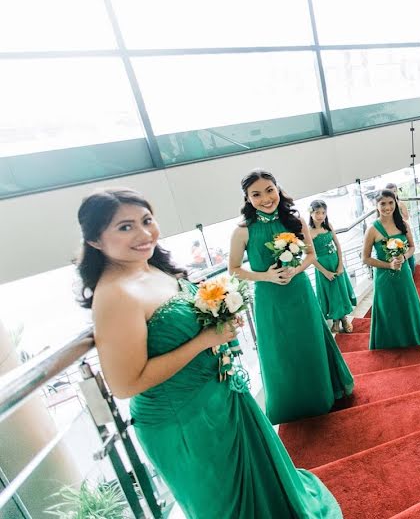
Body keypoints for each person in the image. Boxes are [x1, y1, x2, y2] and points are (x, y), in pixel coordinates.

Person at [77, 188, 342, 518]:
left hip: (220, 395)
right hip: (183, 419)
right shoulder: (114, 296)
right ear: (95, 241)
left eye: (146, 220)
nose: (144, 234)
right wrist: (203, 341)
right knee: (224, 503)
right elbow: (126, 384)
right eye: (125, 227)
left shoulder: (151, 268)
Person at [229, 170, 353, 423]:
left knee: (309, 342)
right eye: (256, 194)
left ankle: (319, 395)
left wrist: (295, 270)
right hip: (269, 298)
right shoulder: (242, 231)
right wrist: (267, 276)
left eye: (269, 190)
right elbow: (234, 270)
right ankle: (289, 404)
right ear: (247, 198)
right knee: (279, 350)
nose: (265, 198)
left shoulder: (295, 221)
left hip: (299, 292)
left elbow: (310, 255)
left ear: (277, 189)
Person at [362, 189, 420, 349]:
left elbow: (412, 247)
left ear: (396, 203)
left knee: (406, 303)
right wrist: (389, 265)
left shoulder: (403, 224)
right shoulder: (372, 229)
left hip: (404, 272)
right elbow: (365, 258)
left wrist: (404, 257)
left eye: (390, 203)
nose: (387, 207)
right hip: (384, 276)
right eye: (383, 204)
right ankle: (389, 341)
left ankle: (411, 336)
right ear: (376, 205)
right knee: (387, 307)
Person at [309, 199, 356, 335]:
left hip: (335, 261)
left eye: (323, 212)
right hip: (322, 266)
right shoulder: (309, 232)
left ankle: (344, 319)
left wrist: (340, 264)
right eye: (317, 212)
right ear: (311, 213)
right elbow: (310, 257)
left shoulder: (328, 225)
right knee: (330, 293)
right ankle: (336, 320)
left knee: (340, 291)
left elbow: (338, 245)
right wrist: (325, 272)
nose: (320, 216)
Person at [385, 183, 415, 274]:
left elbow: (406, 217)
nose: (393, 193)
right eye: (390, 192)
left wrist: (398, 216)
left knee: (404, 246)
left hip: (401, 227)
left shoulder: (401, 204)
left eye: (394, 191)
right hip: (390, 228)